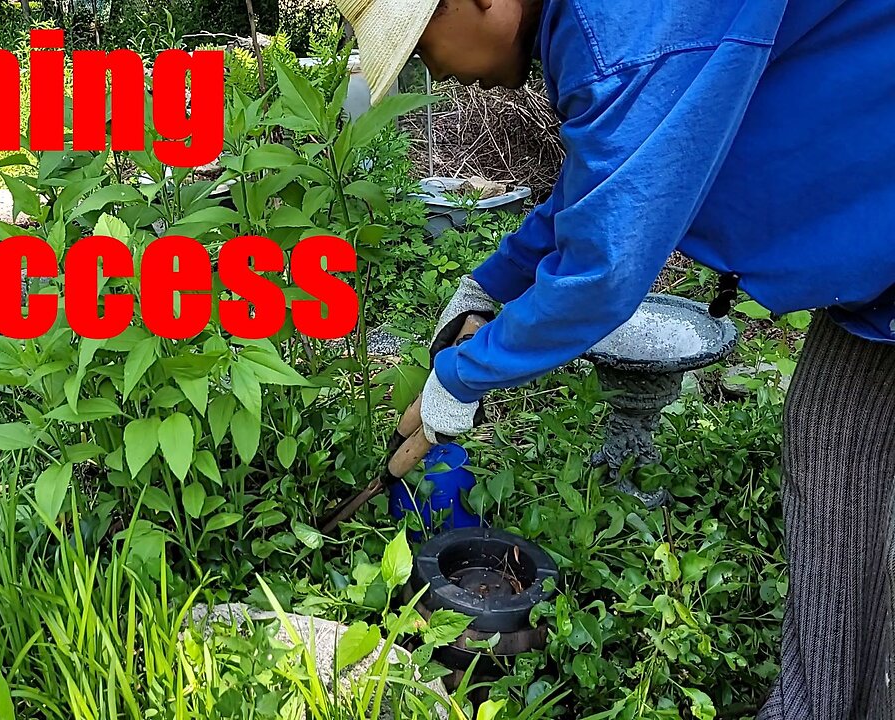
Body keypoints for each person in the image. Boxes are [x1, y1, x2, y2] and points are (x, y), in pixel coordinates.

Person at [332, 0, 895, 717]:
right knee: (829, 437)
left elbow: (606, 265)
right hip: (878, 249)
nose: (435, 71)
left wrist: (466, 374)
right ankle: (816, 703)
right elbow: (604, 186)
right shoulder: (597, 28)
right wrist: (491, 283)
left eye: (421, 46)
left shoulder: (616, 29)